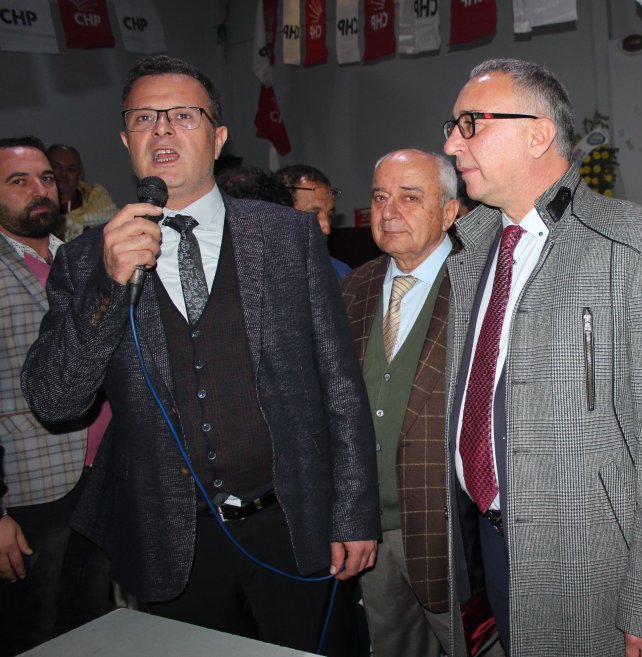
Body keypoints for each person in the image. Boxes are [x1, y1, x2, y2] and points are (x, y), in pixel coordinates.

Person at [21, 56, 379, 654]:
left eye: (183, 115)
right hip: (172, 537)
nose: (162, 129)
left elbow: (339, 384)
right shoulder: (85, 260)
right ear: (126, 141)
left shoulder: (286, 236)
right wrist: (108, 285)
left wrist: (354, 513)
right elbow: (55, 401)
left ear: (217, 138)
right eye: (144, 118)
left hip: (293, 520)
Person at [442, 58, 642, 657]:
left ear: (538, 133)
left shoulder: (631, 243)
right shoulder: (471, 253)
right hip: (491, 543)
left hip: (594, 562)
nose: (452, 143)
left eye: (471, 123)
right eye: (451, 126)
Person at [340, 149, 458, 657]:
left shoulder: (481, 283)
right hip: (372, 531)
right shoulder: (354, 287)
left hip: (452, 533)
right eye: (379, 197)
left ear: (449, 212)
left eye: (410, 197)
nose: (388, 212)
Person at [0, 135, 108, 656]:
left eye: (45, 178)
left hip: (100, 474)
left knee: (94, 624)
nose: (40, 189)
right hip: (30, 489)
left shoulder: (79, 257)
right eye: (18, 181)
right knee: (33, 634)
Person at [276, 164, 351, 278]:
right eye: (313, 215)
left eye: (330, 216)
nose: (327, 228)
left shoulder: (342, 274)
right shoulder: (254, 274)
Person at [45, 144, 117, 242]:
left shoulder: (98, 200)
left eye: (71, 169)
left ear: (80, 174)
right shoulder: (36, 206)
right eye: (56, 167)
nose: (63, 174)